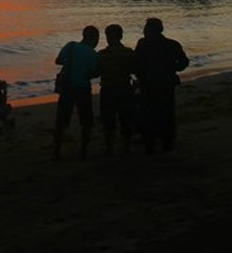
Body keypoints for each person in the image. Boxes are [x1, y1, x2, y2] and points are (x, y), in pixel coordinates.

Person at [133, 18, 189, 154]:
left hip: (148, 84)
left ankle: (150, 144)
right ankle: (167, 142)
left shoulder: (143, 44)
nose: (144, 31)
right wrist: (172, 68)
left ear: (148, 30)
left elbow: (136, 64)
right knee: (166, 112)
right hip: (166, 83)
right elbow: (184, 62)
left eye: (145, 28)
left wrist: (140, 76)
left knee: (148, 113)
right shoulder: (171, 44)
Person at [53, 25, 101, 159]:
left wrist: (71, 63)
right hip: (83, 88)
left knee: (61, 121)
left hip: (67, 87)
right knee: (86, 121)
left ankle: (56, 152)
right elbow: (94, 73)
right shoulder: (93, 54)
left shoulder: (71, 46)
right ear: (95, 38)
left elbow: (58, 60)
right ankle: (83, 151)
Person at [96, 24, 137, 154]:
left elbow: (96, 72)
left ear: (107, 37)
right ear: (121, 36)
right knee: (126, 118)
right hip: (125, 88)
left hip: (108, 89)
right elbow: (136, 70)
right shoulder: (129, 52)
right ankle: (126, 146)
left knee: (108, 120)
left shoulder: (101, 55)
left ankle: (109, 147)